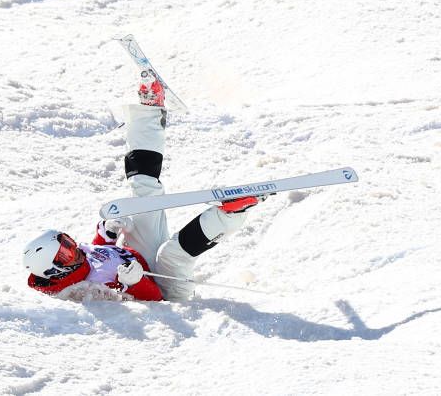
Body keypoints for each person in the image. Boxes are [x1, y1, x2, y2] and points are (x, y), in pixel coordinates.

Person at [22, 72, 263, 302]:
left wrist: (107, 234)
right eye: (65, 253)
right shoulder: (84, 290)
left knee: (145, 197)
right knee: (173, 254)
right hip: (164, 289)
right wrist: (133, 283)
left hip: (140, 260)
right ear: (56, 271)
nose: (73, 249)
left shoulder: (79, 259)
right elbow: (155, 300)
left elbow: (99, 256)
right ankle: (231, 213)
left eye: (67, 242)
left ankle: (149, 110)